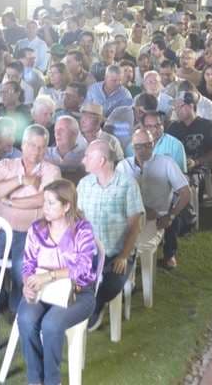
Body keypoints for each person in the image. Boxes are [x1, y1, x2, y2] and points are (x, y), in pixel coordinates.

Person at [17, 179, 97, 385]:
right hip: (43, 291)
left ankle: (53, 381)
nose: (45, 208)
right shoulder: (37, 229)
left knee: (51, 324)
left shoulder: (82, 230)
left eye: (51, 203)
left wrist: (49, 276)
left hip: (79, 292)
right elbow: (27, 264)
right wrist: (27, 284)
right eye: (44, 202)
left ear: (67, 206)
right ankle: (35, 380)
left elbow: (84, 267)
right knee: (26, 318)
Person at [0, 125, 61, 312]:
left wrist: (10, 202)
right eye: (33, 145)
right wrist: (21, 180)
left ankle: (17, 304)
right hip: (1, 229)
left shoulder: (51, 170)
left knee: (23, 270)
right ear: (24, 145)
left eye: (42, 147)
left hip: (31, 232)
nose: (37, 151)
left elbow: (43, 199)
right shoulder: (6, 165)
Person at [77, 139, 143, 331]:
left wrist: (123, 256)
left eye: (88, 156)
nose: (83, 160)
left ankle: (95, 308)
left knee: (110, 282)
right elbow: (78, 219)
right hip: (90, 252)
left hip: (117, 251)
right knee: (76, 277)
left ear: (101, 160)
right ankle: (83, 308)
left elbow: (134, 226)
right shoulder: (84, 184)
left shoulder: (127, 185)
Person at [117, 128, 190, 270]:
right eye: (138, 146)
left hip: (156, 219)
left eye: (147, 145)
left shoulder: (166, 163)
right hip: (130, 217)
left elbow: (186, 193)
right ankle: (125, 280)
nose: (143, 150)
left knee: (133, 244)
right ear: (132, 147)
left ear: (153, 144)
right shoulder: (123, 166)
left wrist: (171, 215)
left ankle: (131, 276)